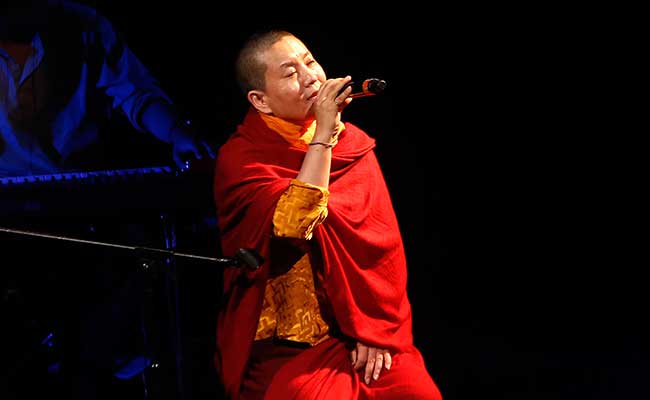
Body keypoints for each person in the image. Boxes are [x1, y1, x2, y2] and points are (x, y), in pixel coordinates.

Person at [0, 1, 215, 398]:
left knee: (134, 267)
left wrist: (177, 135)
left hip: (82, 197)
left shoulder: (81, 24)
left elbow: (136, 93)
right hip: (8, 203)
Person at [212, 29, 442, 399]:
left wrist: (374, 330)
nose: (310, 77)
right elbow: (293, 224)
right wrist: (322, 135)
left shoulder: (352, 144)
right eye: (289, 73)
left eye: (309, 62)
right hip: (288, 347)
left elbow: (382, 251)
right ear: (261, 100)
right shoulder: (241, 158)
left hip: (363, 331)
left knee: (418, 391)